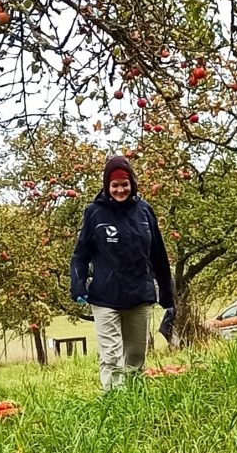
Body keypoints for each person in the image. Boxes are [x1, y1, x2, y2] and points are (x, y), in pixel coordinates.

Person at [70, 153, 174, 389]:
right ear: (107, 186)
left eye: (124, 184)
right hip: (105, 296)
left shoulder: (145, 212)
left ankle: (134, 397)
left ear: (132, 184)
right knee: (111, 355)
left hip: (139, 295)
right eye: (114, 185)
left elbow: (159, 254)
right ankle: (114, 401)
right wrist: (78, 284)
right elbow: (80, 254)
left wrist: (166, 292)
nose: (120, 190)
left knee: (136, 355)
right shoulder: (94, 213)